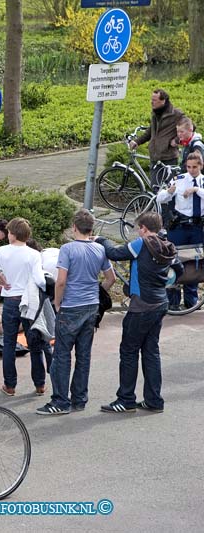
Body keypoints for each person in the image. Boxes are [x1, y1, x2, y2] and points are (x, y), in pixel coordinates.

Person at [96, 212, 178, 414]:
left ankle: (125, 399)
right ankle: (154, 400)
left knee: (129, 351)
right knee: (151, 352)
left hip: (141, 306)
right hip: (160, 303)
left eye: (137, 228)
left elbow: (115, 253)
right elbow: (179, 270)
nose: (136, 231)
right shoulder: (166, 245)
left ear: (143, 228)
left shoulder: (142, 243)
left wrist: (100, 239)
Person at [36, 210, 116, 415]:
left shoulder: (68, 249)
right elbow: (110, 278)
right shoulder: (99, 249)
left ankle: (60, 401)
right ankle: (79, 398)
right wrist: (97, 292)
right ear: (92, 229)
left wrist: (57, 302)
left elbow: (61, 280)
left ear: (74, 227)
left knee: (62, 355)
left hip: (71, 307)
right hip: (91, 307)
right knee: (83, 355)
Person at [0, 218, 48, 396]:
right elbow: (40, 280)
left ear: (13, 234)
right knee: (35, 344)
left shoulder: (3, 251)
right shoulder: (33, 254)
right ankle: (39, 385)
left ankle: (10, 386)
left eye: (9, 232)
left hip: (10, 302)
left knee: (8, 343)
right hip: (29, 302)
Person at [156, 152, 204, 310]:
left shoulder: (202, 182)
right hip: (180, 227)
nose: (191, 170)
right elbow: (160, 198)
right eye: (188, 167)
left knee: (194, 263)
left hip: (197, 227)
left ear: (201, 166)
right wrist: (169, 192)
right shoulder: (179, 180)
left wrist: (196, 189)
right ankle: (173, 302)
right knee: (174, 261)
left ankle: (191, 301)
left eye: (194, 167)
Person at [129, 89, 184, 189]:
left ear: (163, 101)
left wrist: (176, 141)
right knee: (155, 189)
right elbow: (151, 131)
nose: (151, 102)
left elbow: (190, 127)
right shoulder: (155, 113)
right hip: (155, 157)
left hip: (168, 158)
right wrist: (137, 142)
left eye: (154, 100)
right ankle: (157, 205)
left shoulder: (176, 114)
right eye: (151, 99)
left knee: (169, 190)